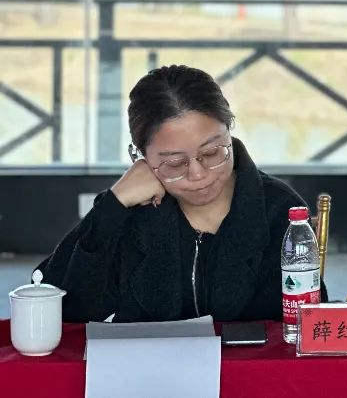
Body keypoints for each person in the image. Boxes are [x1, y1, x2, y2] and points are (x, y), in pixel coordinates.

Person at [39, 64, 322, 322]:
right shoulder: (130, 214)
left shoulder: (279, 210)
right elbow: (55, 307)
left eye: (212, 153)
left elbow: (309, 324)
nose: (198, 174)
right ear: (141, 156)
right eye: (175, 163)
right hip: (147, 364)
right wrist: (112, 206)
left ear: (229, 130)